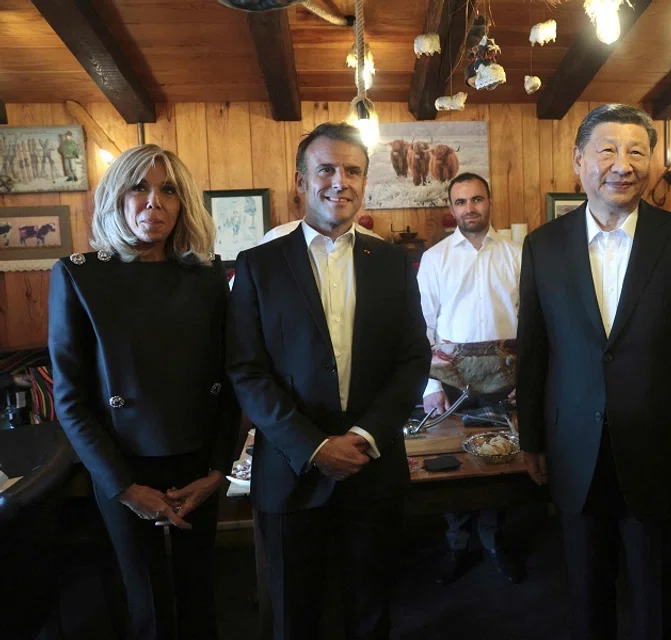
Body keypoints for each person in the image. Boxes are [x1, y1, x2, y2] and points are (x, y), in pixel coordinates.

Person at [516, 103, 671, 639]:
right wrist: (532, 439)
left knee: (662, 599)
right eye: (608, 150)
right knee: (587, 597)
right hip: (574, 450)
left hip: (663, 450)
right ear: (578, 161)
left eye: (637, 151)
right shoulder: (543, 246)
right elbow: (535, 350)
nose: (623, 164)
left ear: (652, 163)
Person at [227, 122, 430, 640]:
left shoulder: (392, 262)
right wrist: (314, 446)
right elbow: (246, 370)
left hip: (372, 468)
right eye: (326, 170)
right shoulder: (258, 266)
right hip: (290, 473)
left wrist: (363, 437)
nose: (340, 181)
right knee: (295, 617)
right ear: (300, 181)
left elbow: (413, 360)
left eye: (353, 170)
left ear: (365, 181)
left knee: (372, 611)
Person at [49, 144, 240, 640]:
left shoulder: (206, 274)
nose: (153, 202)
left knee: (201, 594)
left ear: (183, 204)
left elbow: (233, 379)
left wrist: (219, 470)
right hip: (124, 465)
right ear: (116, 196)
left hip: (198, 463)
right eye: (139, 186)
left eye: (168, 190)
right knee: (145, 602)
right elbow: (71, 401)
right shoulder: (78, 275)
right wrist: (123, 486)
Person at [417, 172, 524, 585]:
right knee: (451, 465)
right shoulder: (436, 259)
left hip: (505, 380)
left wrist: (524, 377)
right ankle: (457, 543)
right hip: (451, 380)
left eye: (476, 199)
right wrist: (429, 387)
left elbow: (531, 321)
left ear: (490, 201)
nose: (469, 209)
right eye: (460, 202)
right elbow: (421, 326)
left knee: (501, 462)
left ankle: (493, 539)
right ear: (451, 208)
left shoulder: (517, 255)